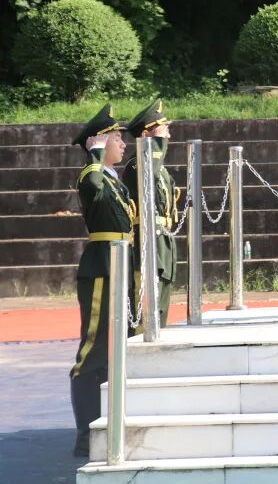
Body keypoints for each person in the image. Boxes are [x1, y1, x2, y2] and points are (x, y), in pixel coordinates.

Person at [69, 104, 136, 456]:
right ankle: (85, 434)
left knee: (115, 349)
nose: (123, 144)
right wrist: (94, 155)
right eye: (115, 138)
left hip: (120, 263)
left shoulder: (113, 179)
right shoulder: (91, 175)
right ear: (98, 142)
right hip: (101, 267)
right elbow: (93, 187)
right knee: (93, 350)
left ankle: (106, 421)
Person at [122, 98, 180, 327]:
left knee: (161, 299)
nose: (168, 137)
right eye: (163, 131)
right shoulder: (136, 163)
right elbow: (149, 172)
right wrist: (155, 144)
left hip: (162, 236)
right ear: (146, 135)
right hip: (146, 238)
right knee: (146, 302)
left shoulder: (158, 165)